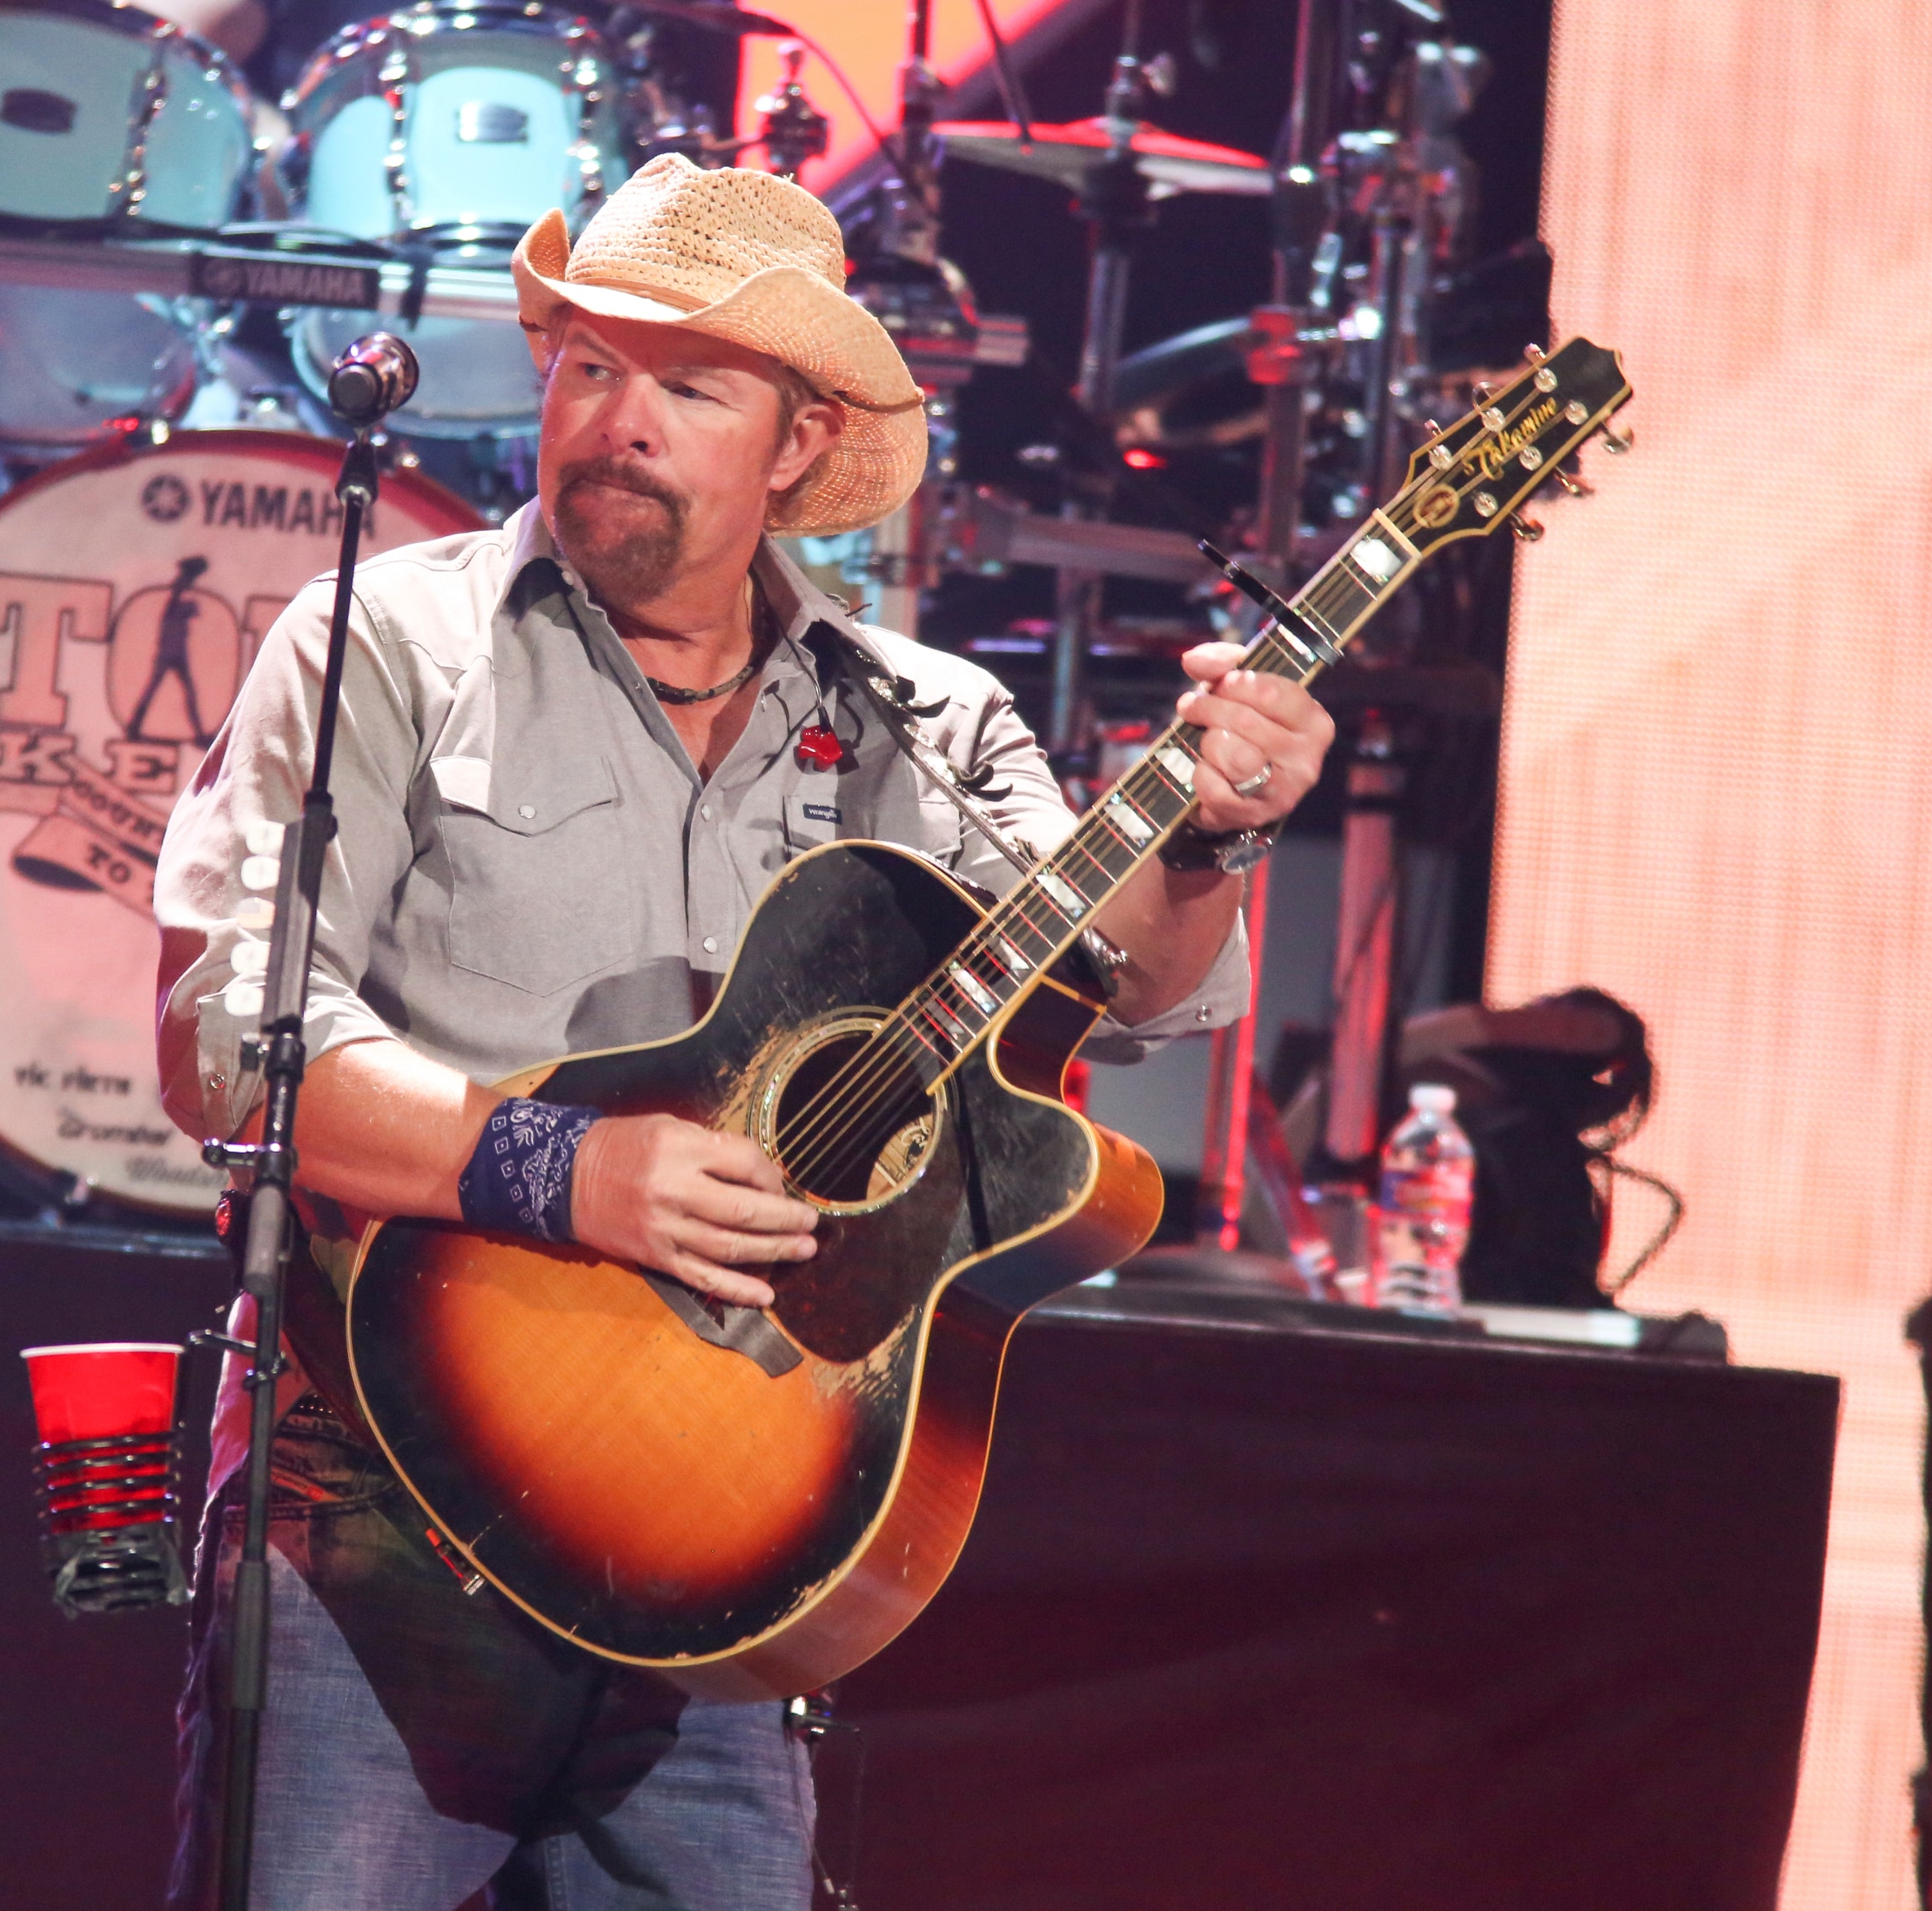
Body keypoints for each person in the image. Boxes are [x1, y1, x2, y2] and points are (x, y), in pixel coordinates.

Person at [152, 155, 1336, 1909]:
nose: (618, 419)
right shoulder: (385, 641)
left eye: (687, 386)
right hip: (381, 1524)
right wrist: (562, 1170)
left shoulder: (930, 722)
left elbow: (1127, 992)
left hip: (737, 1539)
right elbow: (230, 1046)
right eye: (589, 366)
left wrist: (1216, 836)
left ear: (795, 446)